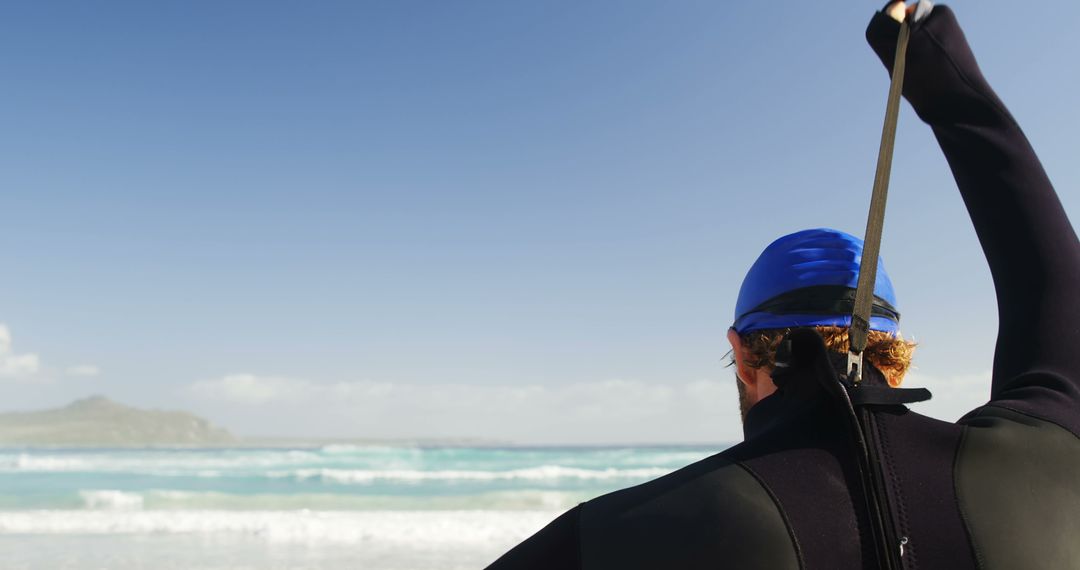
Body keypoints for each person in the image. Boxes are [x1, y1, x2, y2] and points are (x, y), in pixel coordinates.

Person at [487, 2, 1080, 568]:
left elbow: (1052, 283)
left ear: (742, 353)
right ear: (894, 358)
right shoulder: (1049, 462)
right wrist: (931, 60)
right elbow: (1052, 282)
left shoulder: (611, 537)